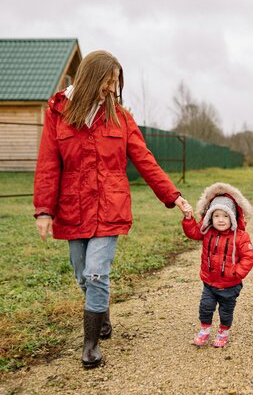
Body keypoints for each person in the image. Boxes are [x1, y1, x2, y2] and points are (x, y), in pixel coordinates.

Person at [33, 50, 187, 368]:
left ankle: (90, 347)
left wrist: (174, 197)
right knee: (81, 273)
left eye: (116, 82)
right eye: (108, 80)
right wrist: (44, 210)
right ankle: (101, 314)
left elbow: (145, 161)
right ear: (92, 77)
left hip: (110, 207)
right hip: (73, 208)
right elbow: (48, 163)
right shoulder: (58, 113)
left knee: (96, 272)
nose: (112, 88)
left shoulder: (121, 118)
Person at [180, 182, 253, 348]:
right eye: (216, 216)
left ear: (233, 217)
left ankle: (223, 332)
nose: (221, 220)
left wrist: (236, 272)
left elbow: (248, 257)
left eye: (225, 216)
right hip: (209, 282)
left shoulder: (241, 237)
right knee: (205, 308)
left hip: (230, 284)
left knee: (226, 311)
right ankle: (205, 329)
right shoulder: (207, 231)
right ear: (210, 218)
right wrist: (188, 217)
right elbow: (193, 232)